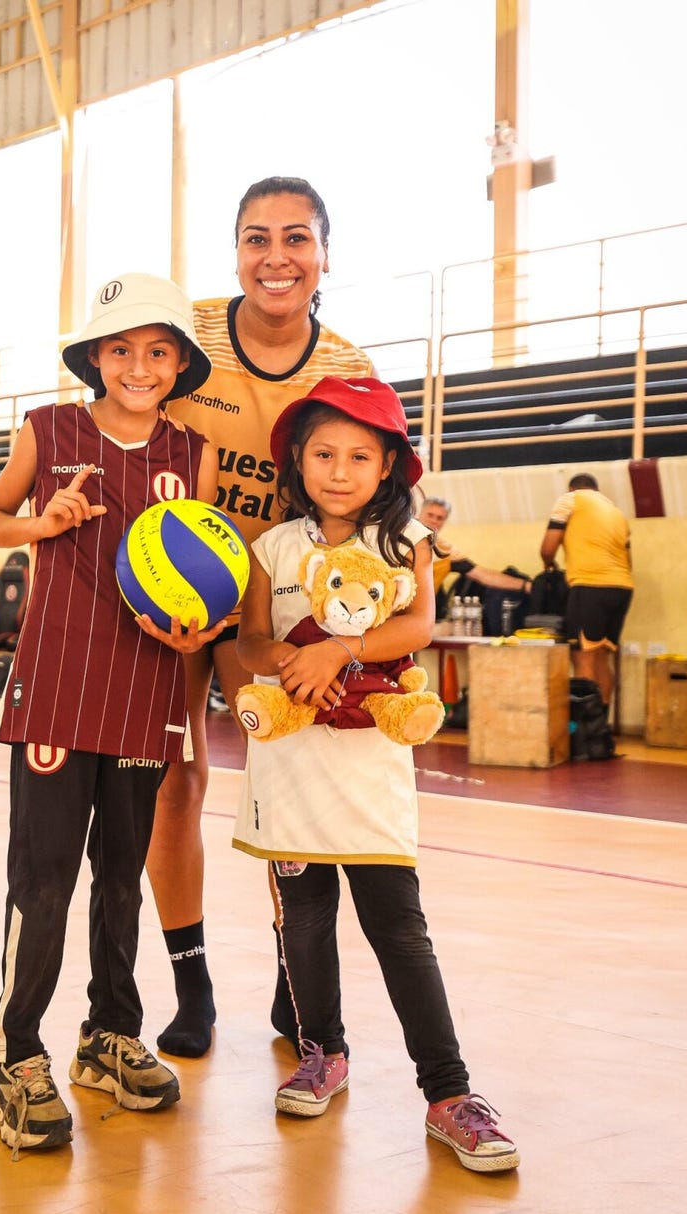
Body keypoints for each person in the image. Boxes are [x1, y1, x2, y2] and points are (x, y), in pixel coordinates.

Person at [234, 375, 519, 1173]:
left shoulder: (407, 544)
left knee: (398, 926)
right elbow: (251, 643)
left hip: (370, 771)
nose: (339, 469)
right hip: (289, 765)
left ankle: (448, 1091)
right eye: (323, 452)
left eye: (360, 454)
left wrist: (342, 648)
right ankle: (323, 1051)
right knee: (306, 918)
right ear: (298, 460)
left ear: (390, 464)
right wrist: (292, 659)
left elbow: (419, 624)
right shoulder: (273, 547)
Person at [0, 273, 224, 1157]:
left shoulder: (191, 450)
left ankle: (110, 1034)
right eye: (120, 348)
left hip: (146, 693)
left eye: (158, 351)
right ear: (93, 357)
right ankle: (14, 1057)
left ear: (179, 362)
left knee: (122, 879)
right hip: (57, 686)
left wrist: (209, 619)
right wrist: (44, 522)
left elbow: (203, 569)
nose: (139, 365)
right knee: (43, 883)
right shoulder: (48, 428)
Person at [146, 175, 376, 1059]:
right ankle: (192, 981)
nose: (275, 257)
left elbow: (371, 482)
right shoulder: (184, 335)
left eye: (295, 238)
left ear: (324, 253)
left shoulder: (349, 366)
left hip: (277, 607)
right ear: (234, 249)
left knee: (286, 792)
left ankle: (296, 972)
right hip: (175, 596)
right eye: (256, 238)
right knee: (176, 785)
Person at [540, 472, 633, 711]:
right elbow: (628, 560)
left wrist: (548, 563)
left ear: (573, 488)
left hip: (590, 586)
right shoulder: (617, 513)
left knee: (583, 657)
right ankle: (599, 730)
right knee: (601, 657)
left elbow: (548, 547)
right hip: (622, 588)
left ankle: (584, 731)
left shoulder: (570, 500)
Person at [418, 495, 533, 601]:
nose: (434, 521)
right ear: (420, 514)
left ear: (444, 521)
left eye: (440, 518)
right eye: (430, 515)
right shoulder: (403, 538)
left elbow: (483, 576)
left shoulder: (444, 550)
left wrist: (527, 585)